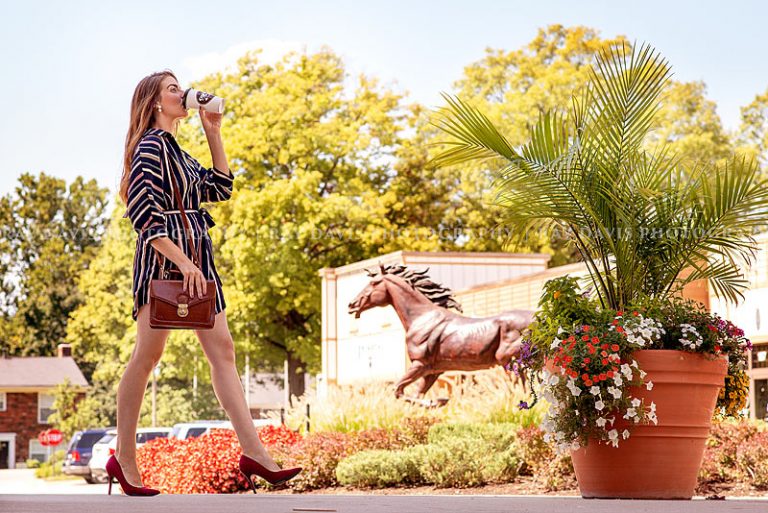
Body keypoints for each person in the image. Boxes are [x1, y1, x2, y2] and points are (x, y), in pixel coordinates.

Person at [111, 70, 301, 496]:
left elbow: (219, 186)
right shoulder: (149, 148)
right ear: (156, 102)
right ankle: (124, 457)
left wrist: (213, 131)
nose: (184, 93)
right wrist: (183, 263)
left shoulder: (177, 150)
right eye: (173, 88)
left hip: (198, 257)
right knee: (148, 355)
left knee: (224, 350)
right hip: (166, 258)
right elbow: (143, 215)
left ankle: (254, 452)